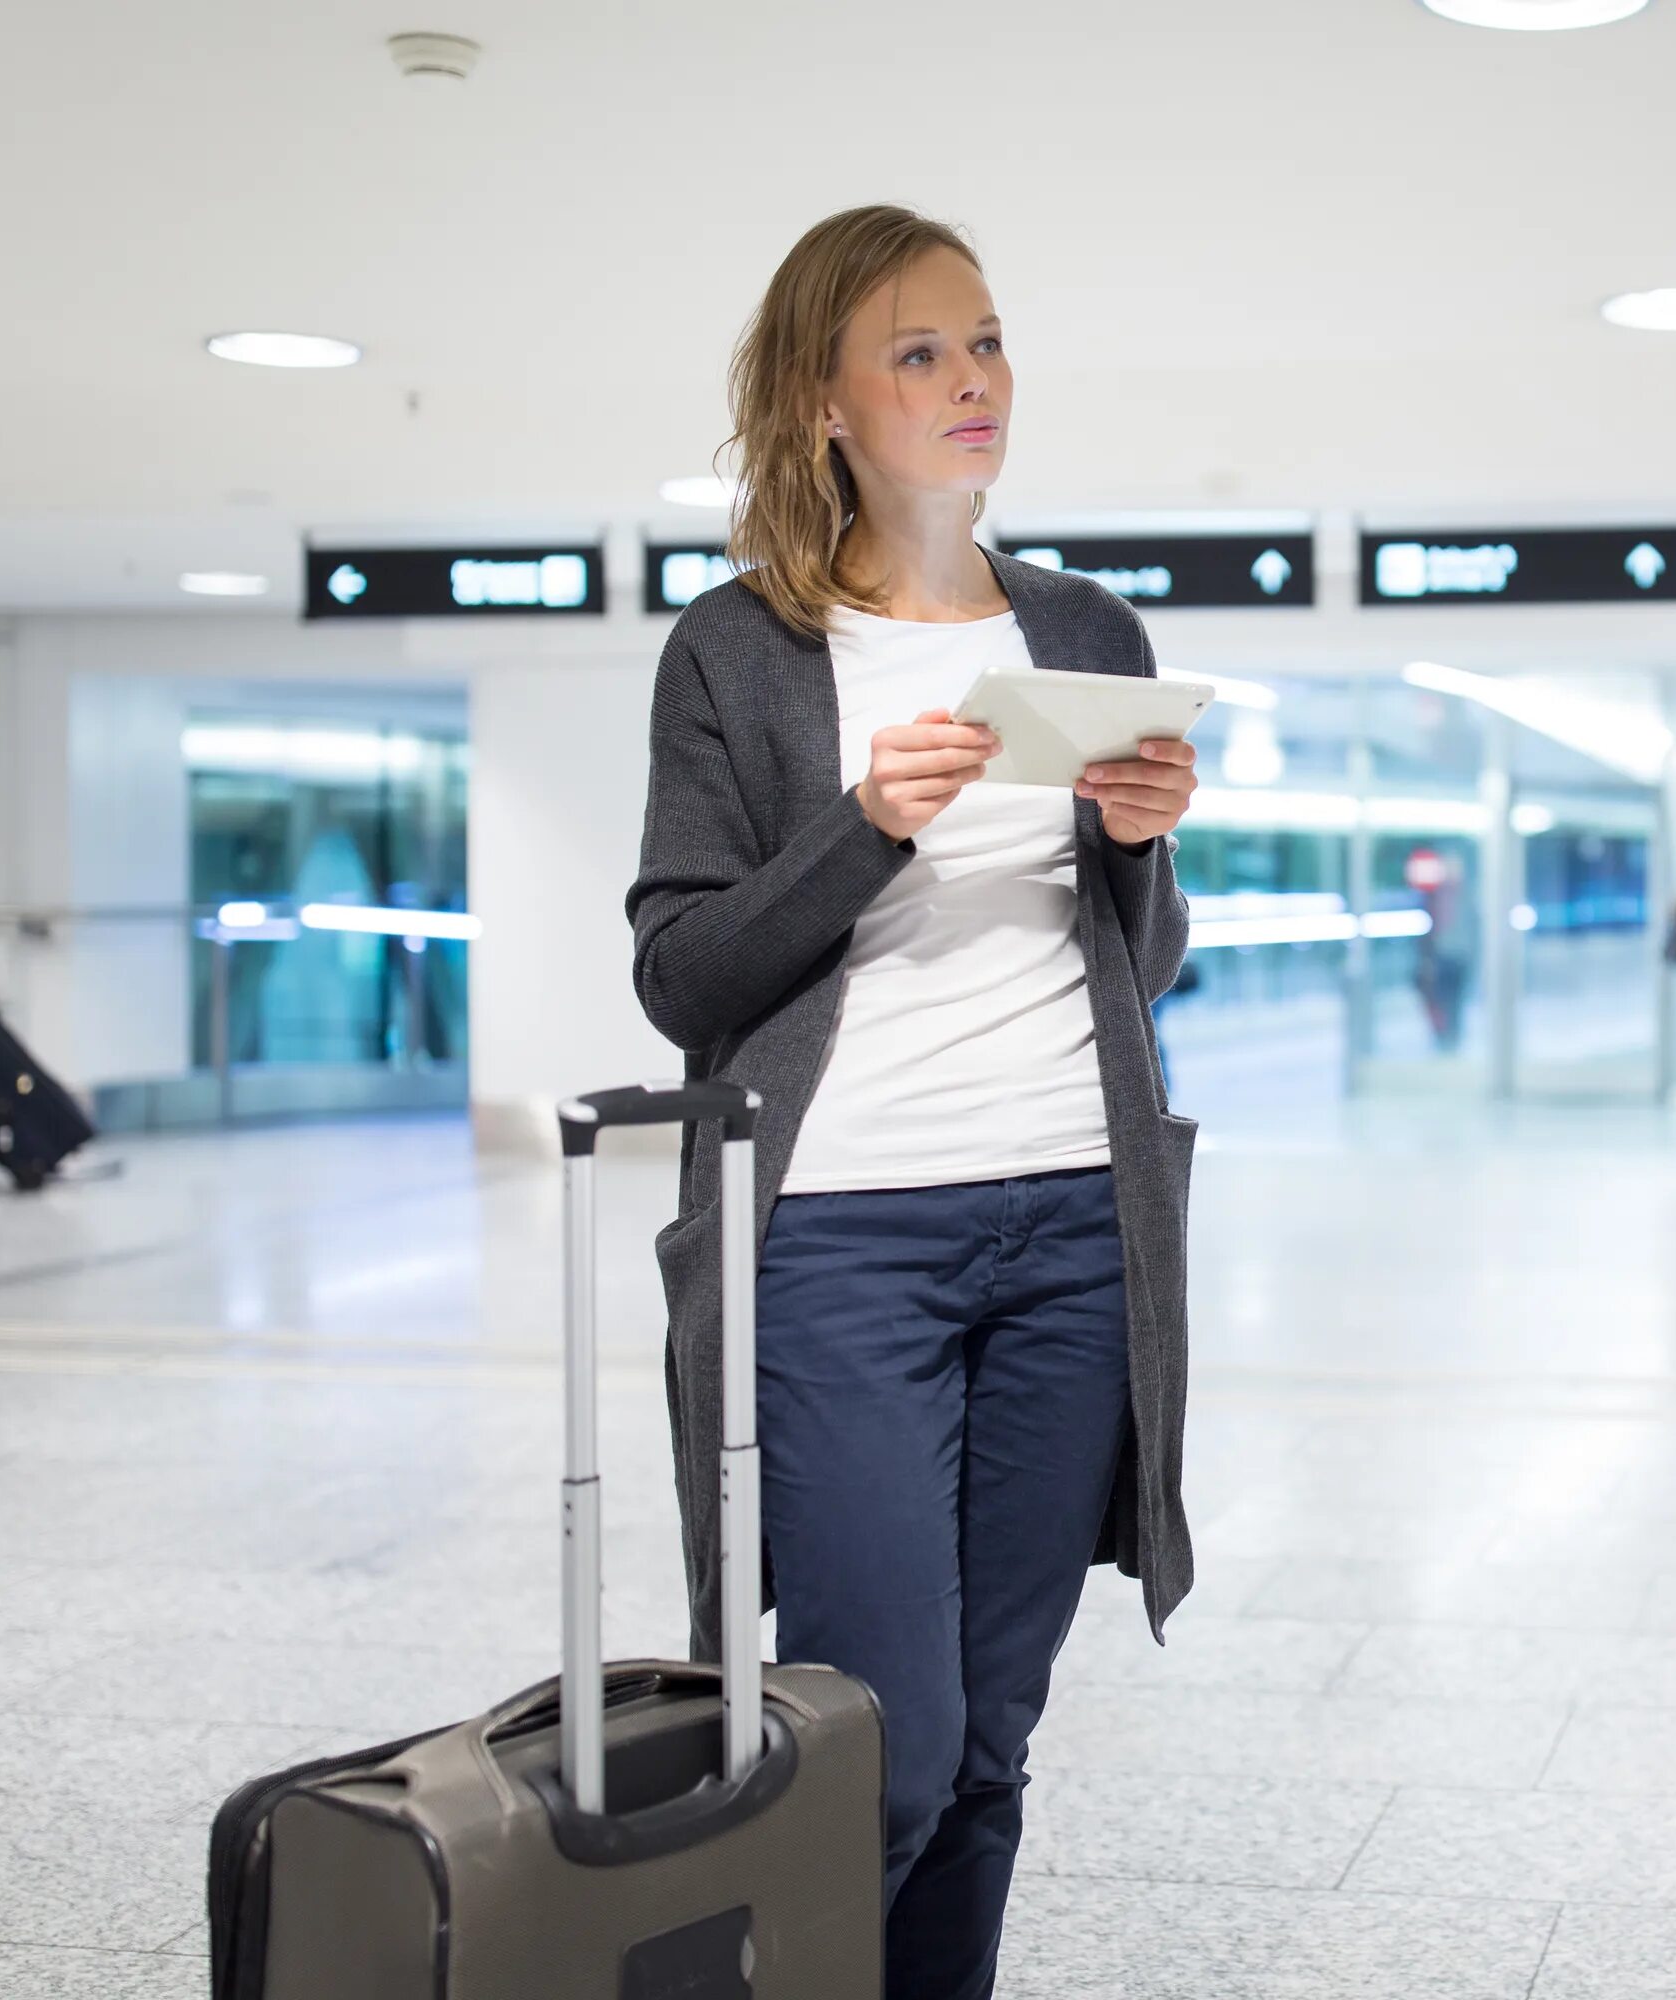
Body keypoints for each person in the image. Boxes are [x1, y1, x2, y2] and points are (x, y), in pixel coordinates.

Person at [625, 206, 1199, 2000]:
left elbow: (1139, 966)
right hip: (841, 1240)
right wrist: (865, 825)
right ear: (823, 401)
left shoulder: (1084, 625)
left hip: (1075, 1236)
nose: (975, 382)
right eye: (922, 352)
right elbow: (685, 976)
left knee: (990, 1745)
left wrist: (1140, 844)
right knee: (880, 1737)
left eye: (991, 341)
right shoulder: (737, 651)